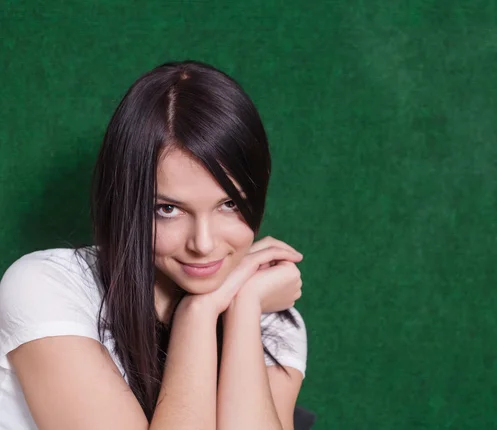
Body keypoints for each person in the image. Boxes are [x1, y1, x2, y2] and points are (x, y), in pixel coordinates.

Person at [0, 60, 307, 430]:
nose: (203, 244)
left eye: (229, 204)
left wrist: (242, 308)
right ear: (127, 201)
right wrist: (199, 312)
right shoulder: (47, 288)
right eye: (168, 209)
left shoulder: (269, 321)